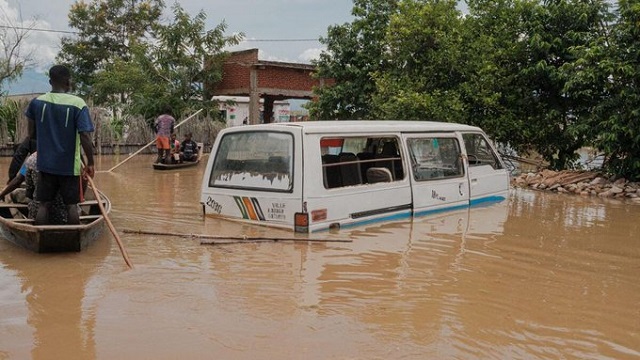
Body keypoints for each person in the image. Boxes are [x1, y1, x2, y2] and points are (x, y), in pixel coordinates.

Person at [25, 64, 95, 225]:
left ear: (50, 81)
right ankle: (74, 240)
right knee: (71, 205)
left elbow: (31, 134)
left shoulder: (36, 103)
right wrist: (90, 163)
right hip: (69, 166)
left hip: (45, 164)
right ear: (68, 82)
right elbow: (84, 135)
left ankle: (40, 236)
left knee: (44, 205)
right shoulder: (78, 104)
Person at [0, 152, 67, 223]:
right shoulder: (67, 159)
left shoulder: (32, 159)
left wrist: (1, 194)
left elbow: (22, 185)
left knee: (13, 195)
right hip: (64, 215)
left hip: (38, 214)